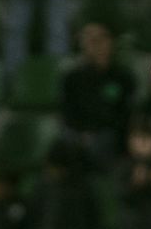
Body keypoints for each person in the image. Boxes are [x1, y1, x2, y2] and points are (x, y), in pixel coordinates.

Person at [59, 21, 137, 171]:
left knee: (101, 143)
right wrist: (83, 134)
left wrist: (94, 133)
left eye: (99, 39)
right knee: (62, 145)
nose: (94, 45)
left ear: (110, 42)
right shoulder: (72, 78)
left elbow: (124, 115)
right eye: (88, 40)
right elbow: (68, 112)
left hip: (109, 135)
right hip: (78, 134)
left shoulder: (123, 77)